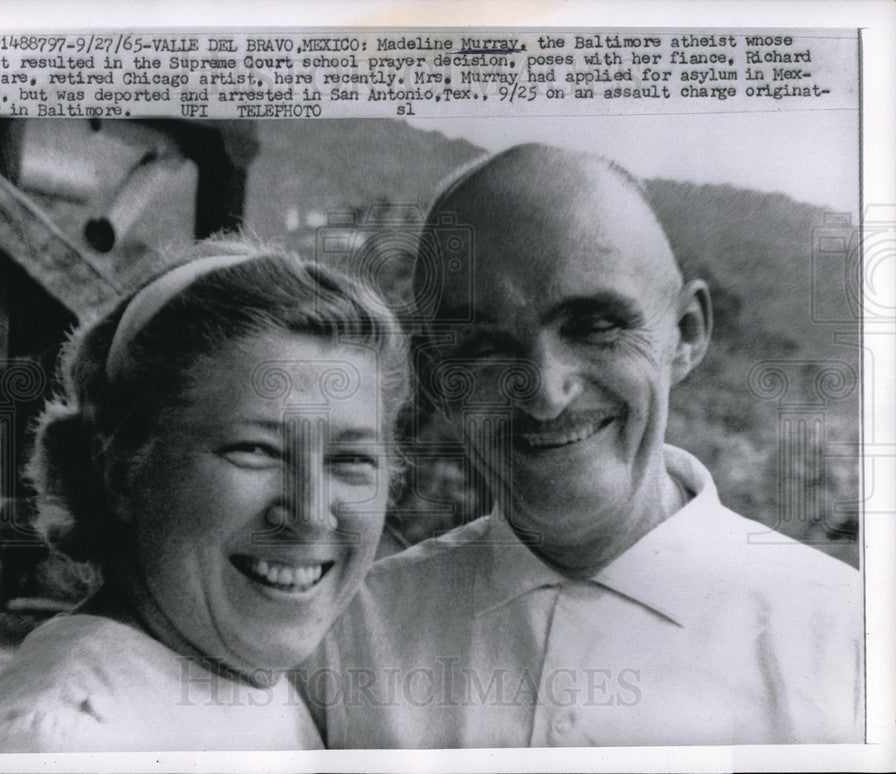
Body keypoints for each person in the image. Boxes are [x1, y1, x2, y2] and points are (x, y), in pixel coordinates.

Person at [299, 144, 863, 747]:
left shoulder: (850, 647)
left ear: (686, 335)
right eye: (485, 346)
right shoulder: (344, 644)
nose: (544, 392)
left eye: (594, 327)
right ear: (439, 379)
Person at [0, 236, 409, 752]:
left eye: (351, 460)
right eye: (256, 449)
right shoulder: (63, 740)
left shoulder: (247, 680)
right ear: (121, 470)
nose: (311, 514)